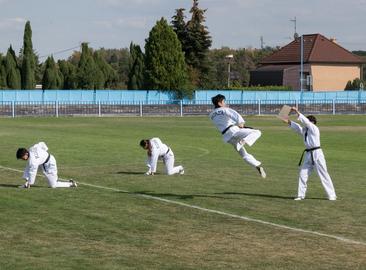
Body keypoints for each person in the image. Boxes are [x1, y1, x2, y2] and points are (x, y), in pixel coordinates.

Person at [283, 107, 336, 201]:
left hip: (317, 154)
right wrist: (286, 116)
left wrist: (297, 112)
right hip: (308, 154)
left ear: (312, 123)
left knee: (323, 174)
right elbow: (294, 126)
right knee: (302, 174)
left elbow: (306, 122)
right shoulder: (304, 130)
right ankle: (300, 195)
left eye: (308, 122)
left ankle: (331, 195)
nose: (306, 124)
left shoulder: (314, 129)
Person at [209, 94, 266, 178]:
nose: (225, 103)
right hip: (234, 131)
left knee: (244, 154)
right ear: (220, 103)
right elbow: (235, 115)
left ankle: (257, 166)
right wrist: (241, 123)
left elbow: (224, 121)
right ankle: (243, 141)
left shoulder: (211, 115)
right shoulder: (225, 109)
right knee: (257, 132)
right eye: (224, 101)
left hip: (227, 137)